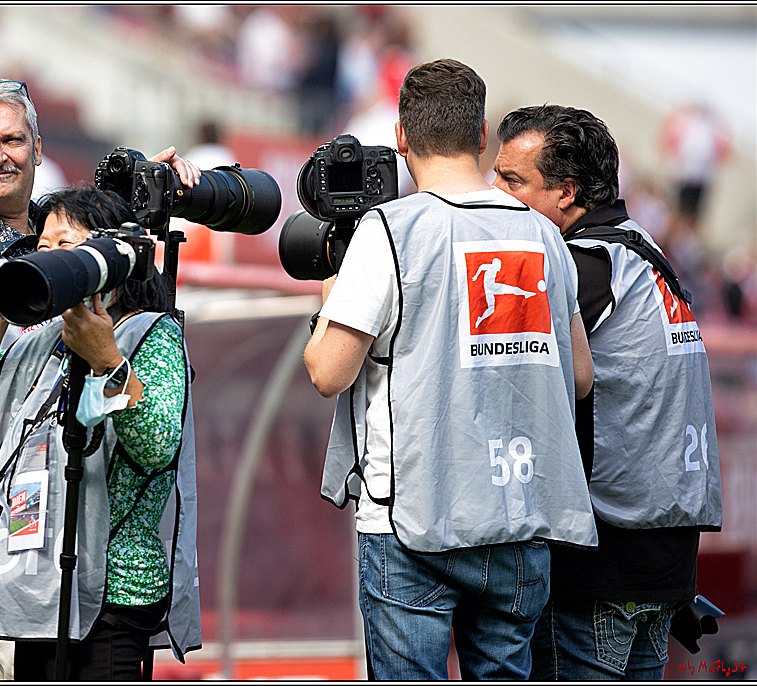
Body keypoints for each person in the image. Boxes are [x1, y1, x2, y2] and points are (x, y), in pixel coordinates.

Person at [0, 77, 199, 679]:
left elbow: (86, 234)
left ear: (38, 148)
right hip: (7, 507)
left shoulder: (37, 228)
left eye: (11, 140)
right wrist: (29, 507)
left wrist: (145, 194)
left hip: (85, 534)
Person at [303, 58, 598, 680]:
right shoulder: (544, 234)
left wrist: (328, 306)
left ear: (401, 138)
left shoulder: (391, 229)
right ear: (483, 134)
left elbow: (328, 373)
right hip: (519, 513)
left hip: (413, 522)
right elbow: (579, 378)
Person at [492, 104, 723, 680]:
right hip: (660, 566)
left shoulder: (582, 264)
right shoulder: (642, 249)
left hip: (600, 570)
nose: (494, 193)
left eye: (512, 180)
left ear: (566, 193)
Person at [0, 186, 199, 680]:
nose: (48, 258)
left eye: (65, 247)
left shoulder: (150, 333)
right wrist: (9, 294)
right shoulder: (42, 341)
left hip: (114, 595)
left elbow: (156, 445)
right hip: (38, 586)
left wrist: (106, 358)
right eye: (42, 248)